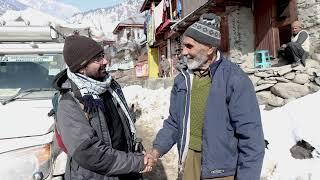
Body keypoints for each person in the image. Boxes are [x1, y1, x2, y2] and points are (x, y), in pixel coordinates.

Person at [149, 13, 265, 180]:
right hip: (189, 162)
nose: (183, 52)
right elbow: (175, 122)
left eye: (189, 46)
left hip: (222, 169)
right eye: (183, 46)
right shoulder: (183, 80)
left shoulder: (234, 79)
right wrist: (156, 150)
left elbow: (251, 137)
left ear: (210, 48)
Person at [52, 35, 155, 180]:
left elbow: (123, 129)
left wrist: (136, 153)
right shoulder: (69, 103)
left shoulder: (109, 85)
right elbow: (89, 153)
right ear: (81, 68)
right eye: (97, 59)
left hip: (125, 169)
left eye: (103, 55)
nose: (105, 61)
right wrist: (136, 162)